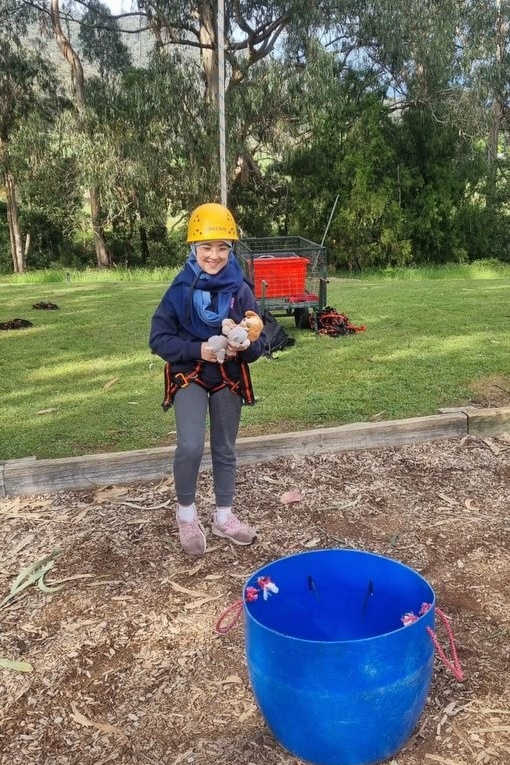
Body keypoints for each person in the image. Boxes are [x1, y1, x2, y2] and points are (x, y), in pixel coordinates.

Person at [149, 202, 266, 556]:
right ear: (193, 249)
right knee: (189, 446)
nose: (213, 256)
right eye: (206, 248)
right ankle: (186, 515)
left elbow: (258, 345)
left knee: (224, 448)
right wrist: (197, 349)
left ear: (231, 250)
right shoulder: (181, 289)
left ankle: (224, 517)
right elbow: (158, 339)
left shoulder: (240, 289)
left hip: (228, 376)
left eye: (222, 248)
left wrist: (242, 346)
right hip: (191, 374)